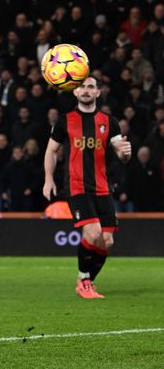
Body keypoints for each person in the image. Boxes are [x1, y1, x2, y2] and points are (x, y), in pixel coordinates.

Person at [43, 76, 132, 299]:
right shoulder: (65, 121)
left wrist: (125, 153)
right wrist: (48, 179)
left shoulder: (109, 121)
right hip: (77, 187)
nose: (85, 90)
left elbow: (120, 152)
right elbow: (51, 151)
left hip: (102, 188)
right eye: (81, 87)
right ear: (74, 92)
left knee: (107, 241)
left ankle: (88, 281)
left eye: (90, 87)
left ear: (97, 93)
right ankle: (83, 281)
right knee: (93, 232)